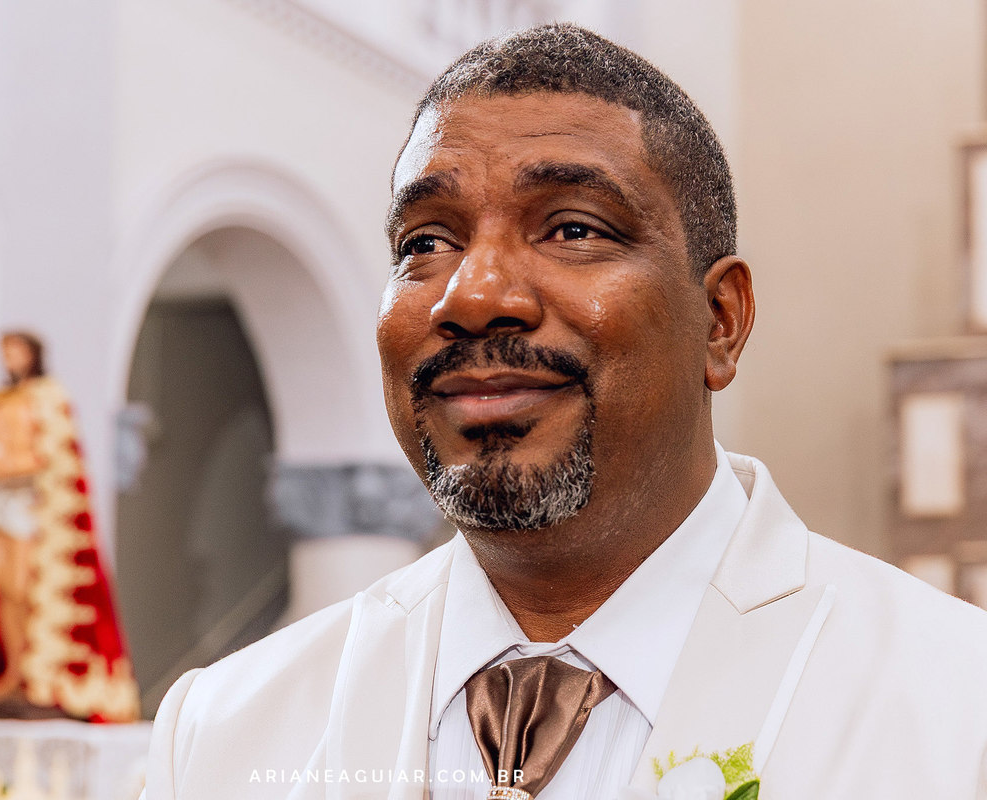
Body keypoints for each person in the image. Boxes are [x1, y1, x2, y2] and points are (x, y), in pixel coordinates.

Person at [143, 24, 987, 798]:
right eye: (425, 243)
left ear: (720, 322)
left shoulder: (955, 708)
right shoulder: (223, 734)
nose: (473, 296)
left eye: (573, 230)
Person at [0, 331, 140, 722]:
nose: (9, 359)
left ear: (32, 354)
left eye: (16, 351)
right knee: (2, 591)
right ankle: (13, 671)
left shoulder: (47, 399)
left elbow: (51, 458)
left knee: (23, 587)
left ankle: (35, 673)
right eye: (5, 352)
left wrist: (7, 467)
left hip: (25, 504)